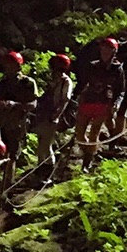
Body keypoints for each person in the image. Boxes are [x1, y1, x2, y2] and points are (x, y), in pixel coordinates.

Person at [74, 38, 123, 168]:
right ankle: (90, 152)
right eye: (103, 48)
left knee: (94, 132)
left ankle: (87, 162)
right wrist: (78, 97)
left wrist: (116, 104)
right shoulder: (92, 66)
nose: (105, 51)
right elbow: (84, 83)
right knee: (79, 133)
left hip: (104, 102)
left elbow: (120, 90)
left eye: (108, 49)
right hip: (89, 100)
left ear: (114, 51)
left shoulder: (117, 69)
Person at [30, 53, 74, 181]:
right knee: (41, 142)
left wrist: (56, 115)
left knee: (46, 144)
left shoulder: (66, 82)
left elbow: (65, 100)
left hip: (55, 116)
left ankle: (48, 172)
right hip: (45, 114)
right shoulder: (52, 80)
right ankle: (40, 168)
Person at [0, 51, 37, 190]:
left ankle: (7, 188)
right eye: (6, 65)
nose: (8, 68)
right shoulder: (1, 84)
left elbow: (32, 105)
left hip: (17, 124)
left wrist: (14, 105)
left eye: (11, 65)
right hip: (1, 123)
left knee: (12, 156)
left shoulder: (27, 83)